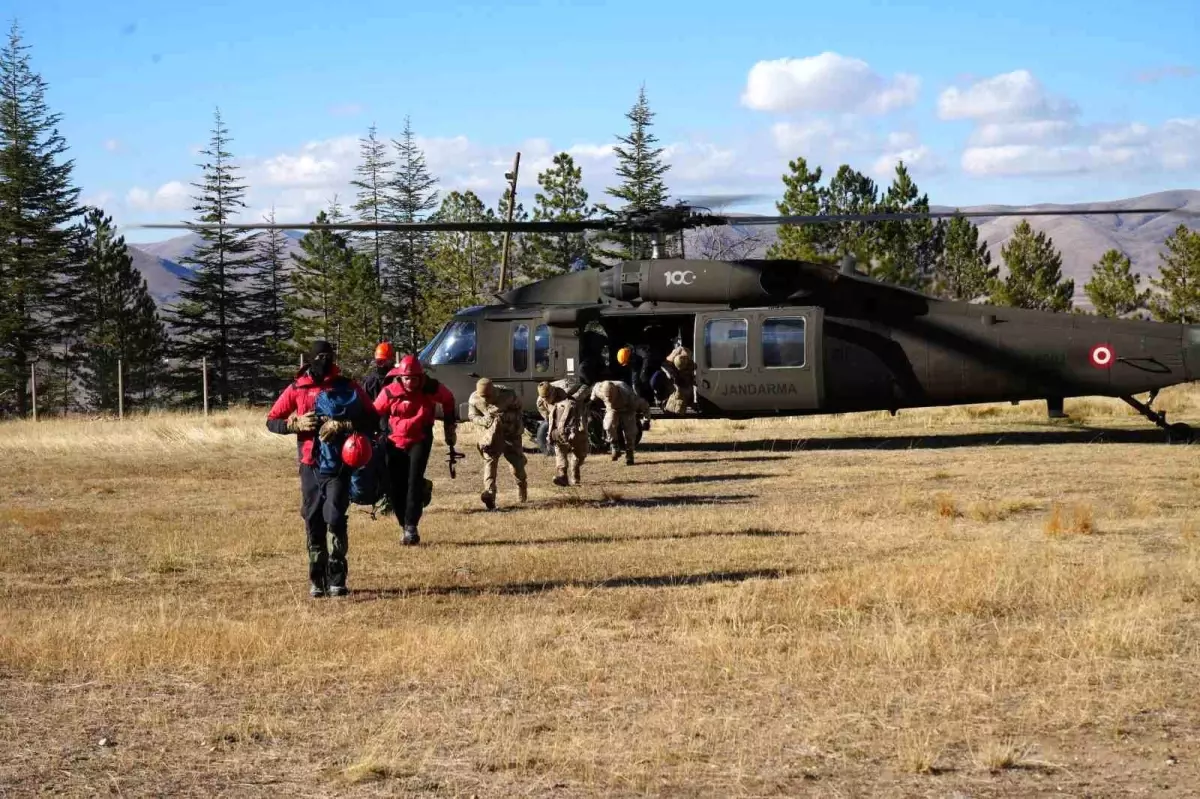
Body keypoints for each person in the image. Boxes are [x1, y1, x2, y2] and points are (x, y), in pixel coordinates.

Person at [266, 340, 379, 598]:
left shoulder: (347, 386)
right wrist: (295, 425)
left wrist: (344, 424)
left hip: (340, 463)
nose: (325, 362)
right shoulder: (298, 388)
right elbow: (272, 420)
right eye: (321, 357)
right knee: (313, 519)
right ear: (311, 360)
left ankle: (337, 576)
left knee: (336, 517)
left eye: (329, 357)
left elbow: (373, 417)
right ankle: (318, 579)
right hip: (310, 465)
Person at [373, 354, 457, 545]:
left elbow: (448, 399)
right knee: (395, 486)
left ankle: (411, 526)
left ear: (421, 377)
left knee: (413, 480)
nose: (411, 382)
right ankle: (404, 524)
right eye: (407, 378)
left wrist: (449, 425)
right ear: (400, 377)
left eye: (414, 378)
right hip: (394, 441)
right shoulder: (390, 391)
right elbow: (373, 412)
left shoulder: (431, 387)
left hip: (420, 438)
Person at [467, 377, 528, 509]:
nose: (487, 400)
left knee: (517, 466)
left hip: (511, 434)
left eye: (489, 397)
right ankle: (490, 495)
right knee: (490, 463)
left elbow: (519, 412)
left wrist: (506, 418)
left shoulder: (508, 395)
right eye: (484, 397)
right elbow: (472, 416)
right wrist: (484, 421)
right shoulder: (474, 399)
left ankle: (521, 487)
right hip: (491, 436)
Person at [536, 378, 590, 486]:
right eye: (544, 398)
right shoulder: (541, 402)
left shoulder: (567, 388)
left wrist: (575, 398)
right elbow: (547, 417)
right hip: (559, 424)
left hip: (577, 419)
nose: (546, 400)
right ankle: (562, 476)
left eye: (548, 397)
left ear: (553, 392)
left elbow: (585, 388)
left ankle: (575, 471)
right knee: (559, 447)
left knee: (580, 453)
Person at [590, 379, 649, 464]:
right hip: (611, 409)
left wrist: (646, 420)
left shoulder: (629, 396)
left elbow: (644, 405)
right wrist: (591, 403)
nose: (609, 398)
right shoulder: (598, 389)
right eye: (607, 397)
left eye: (611, 397)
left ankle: (630, 454)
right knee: (608, 425)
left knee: (630, 432)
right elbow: (592, 398)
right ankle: (614, 446)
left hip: (627, 409)